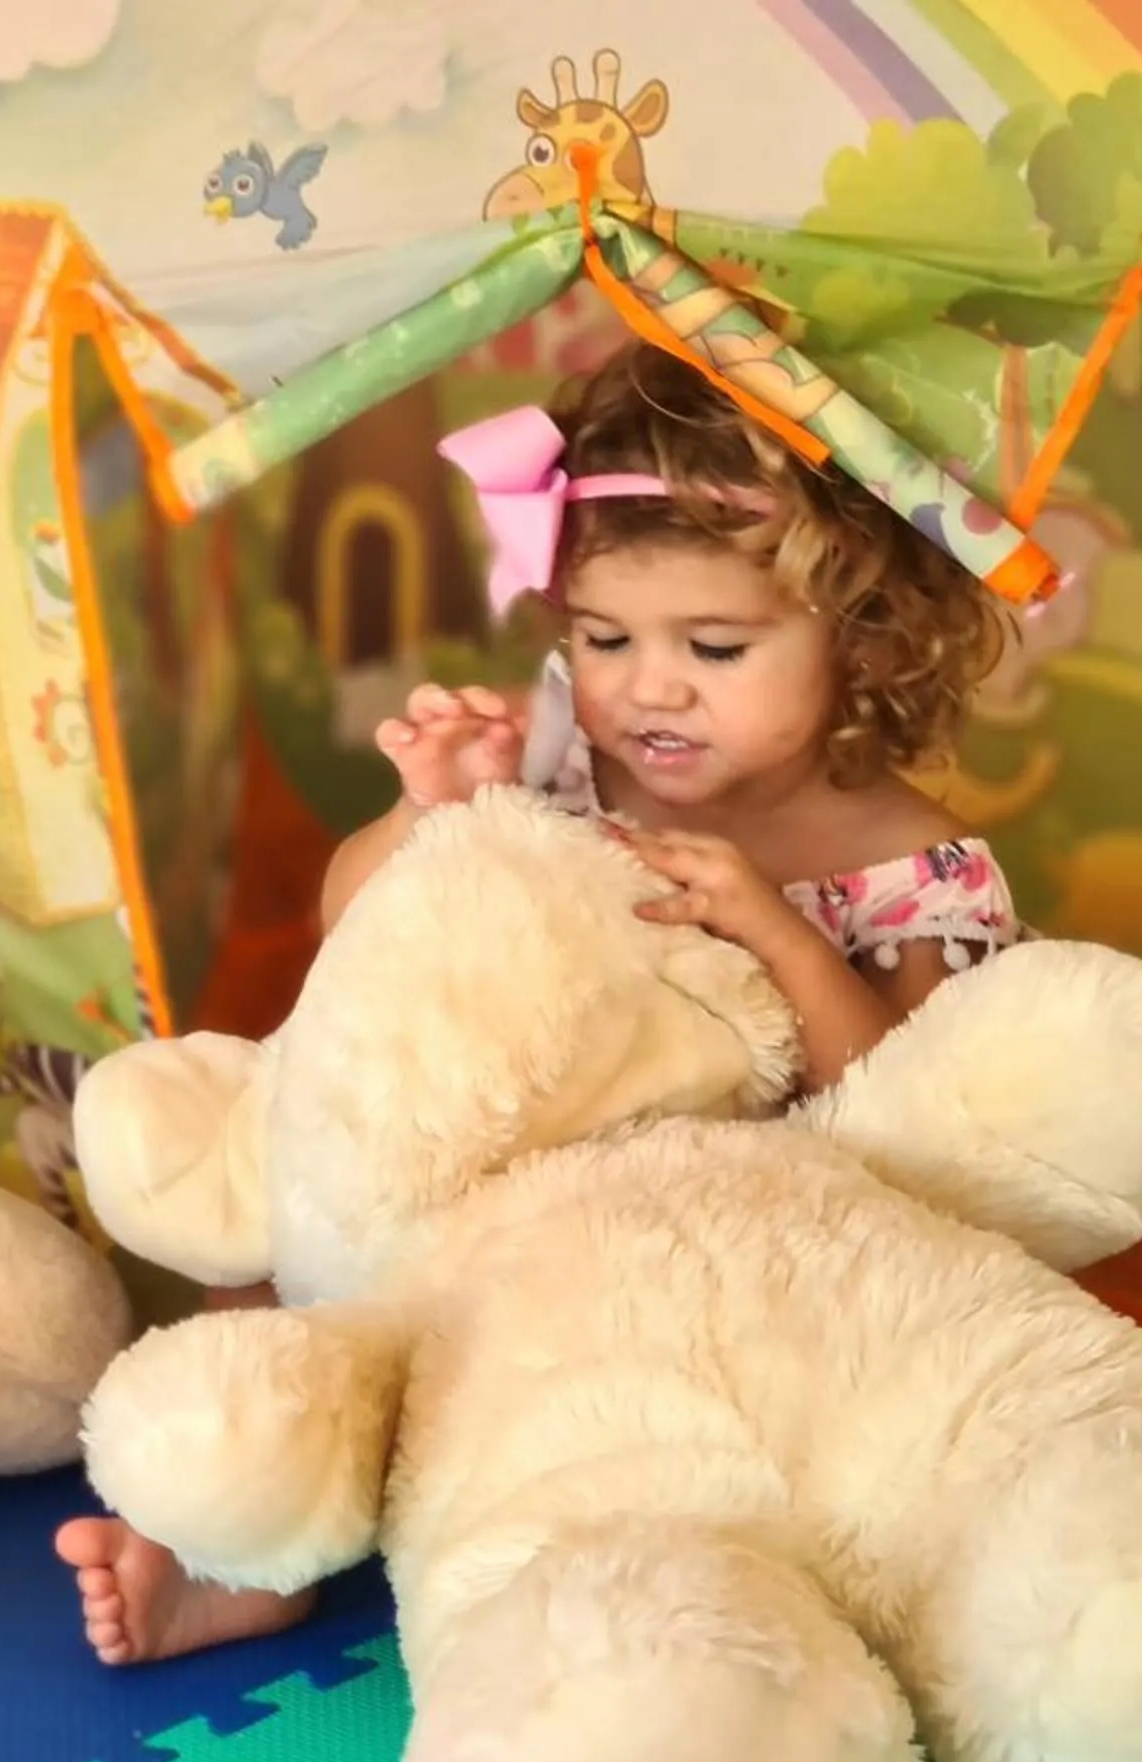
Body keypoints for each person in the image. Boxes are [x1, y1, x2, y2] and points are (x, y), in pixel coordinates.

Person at [56, 340, 1026, 1664]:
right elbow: (358, 933)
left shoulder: (918, 870)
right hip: (493, 1232)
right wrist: (431, 811)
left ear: (861, 638)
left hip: (722, 1278)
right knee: (306, 1173)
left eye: (718, 646)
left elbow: (922, 1123)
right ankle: (240, 1540)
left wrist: (780, 937)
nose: (650, 686)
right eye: (603, 637)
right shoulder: (577, 772)